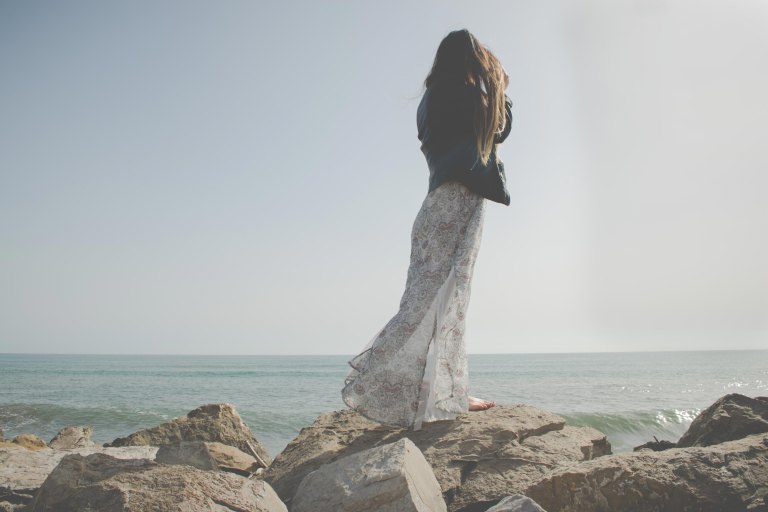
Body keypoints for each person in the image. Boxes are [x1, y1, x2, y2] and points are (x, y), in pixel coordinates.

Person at [342, 29, 513, 430]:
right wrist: (501, 89)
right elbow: (498, 128)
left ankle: (433, 389)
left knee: (425, 299)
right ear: (469, 61)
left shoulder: (431, 99)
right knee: (445, 299)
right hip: (456, 203)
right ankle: (424, 389)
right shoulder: (463, 93)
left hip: (437, 205)